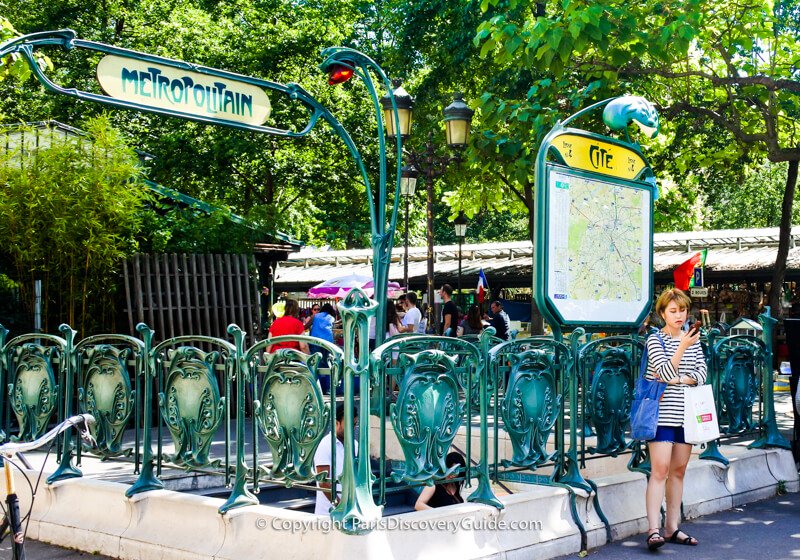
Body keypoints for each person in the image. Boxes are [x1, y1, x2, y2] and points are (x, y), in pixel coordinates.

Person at [643, 288, 706, 551]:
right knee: (659, 471)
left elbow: (702, 373)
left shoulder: (694, 339)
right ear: (662, 313)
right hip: (661, 414)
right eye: (673, 311)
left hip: (687, 415)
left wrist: (679, 378)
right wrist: (681, 347)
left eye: (682, 310)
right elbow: (664, 371)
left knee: (678, 472)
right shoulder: (655, 340)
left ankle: (672, 527)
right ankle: (653, 529)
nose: (679, 315)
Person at [313, 402, 358, 515]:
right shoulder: (325, 445)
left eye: (354, 425)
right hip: (328, 514)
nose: (352, 429)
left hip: (351, 511)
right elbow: (323, 482)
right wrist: (340, 506)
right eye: (348, 425)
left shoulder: (355, 445)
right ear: (337, 423)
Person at [309, 303, 336, 393]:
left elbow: (306, 326)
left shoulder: (315, 316)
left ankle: (317, 388)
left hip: (315, 342)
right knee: (328, 364)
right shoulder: (331, 318)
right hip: (328, 344)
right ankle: (329, 389)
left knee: (317, 364)